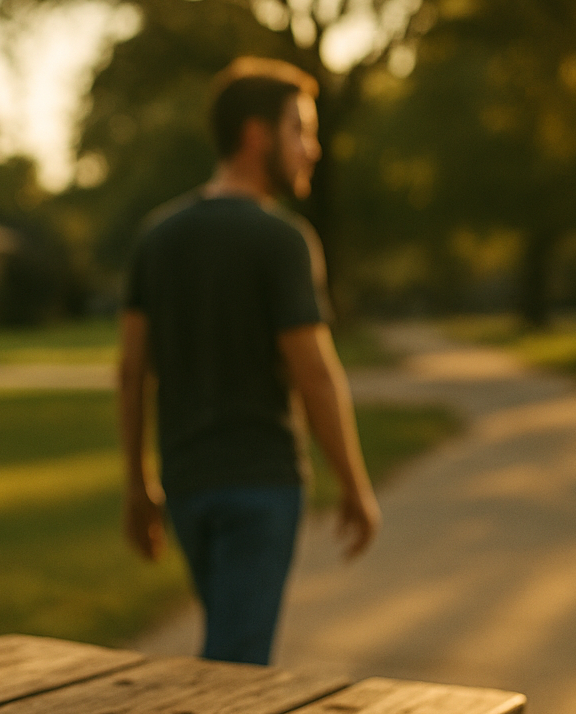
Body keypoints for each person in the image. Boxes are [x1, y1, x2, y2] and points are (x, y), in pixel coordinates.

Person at [117, 56, 381, 666]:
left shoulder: (157, 237)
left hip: (187, 488)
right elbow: (314, 373)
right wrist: (354, 485)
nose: (312, 150)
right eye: (301, 131)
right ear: (257, 135)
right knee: (235, 669)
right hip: (261, 487)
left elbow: (132, 372)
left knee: (229, 646)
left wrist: (138, 484)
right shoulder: (282, 240)